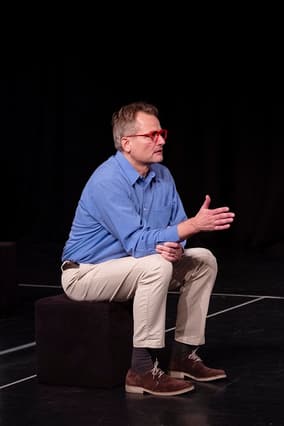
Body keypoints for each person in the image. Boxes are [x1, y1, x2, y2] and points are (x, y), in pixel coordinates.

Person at [61, 101, 235, 396]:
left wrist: (177, 247)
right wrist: (193, 226)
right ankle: (141, 370)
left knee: (203, 260)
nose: (161, 141)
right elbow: (137, 241)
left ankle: (183, 356)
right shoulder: (107, 180)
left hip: (134, 264)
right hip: (86, 273)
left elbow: (176, 227)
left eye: (161, 133)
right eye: (152, 135)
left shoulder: (163, 175)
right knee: (156, 265)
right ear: (126, 143)